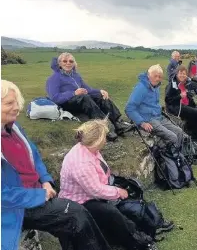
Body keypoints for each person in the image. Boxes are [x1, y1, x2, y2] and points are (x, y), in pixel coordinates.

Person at [1, 80, 111, 250]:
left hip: (36, 191)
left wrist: (45, 180)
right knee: (74, 214)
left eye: (16, 102)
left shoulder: (14, 127)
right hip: (17, 206)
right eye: (9, 103)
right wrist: (39, 195)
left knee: (69, 217)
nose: (16, 107)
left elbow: (34, 156)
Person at [59, 119, 173, 250]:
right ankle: (138, 241)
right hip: (79, 202)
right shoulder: (81, 162)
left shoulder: (90, 149)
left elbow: (101, 176)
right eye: (104, 137)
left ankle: (152, 223)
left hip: (92, 194)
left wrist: (118, 187)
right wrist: (117, 192)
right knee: (112, 212)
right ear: (97, 140)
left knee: (131, 188)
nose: (106, 140)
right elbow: (95, 190)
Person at [46, 52, 132, 141]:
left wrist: (100, 91)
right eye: (65, 61)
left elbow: (87, 89)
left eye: (71, 61)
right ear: (59, 63)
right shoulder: (54, 78)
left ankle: (118, 124)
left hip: (79, 100)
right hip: (66, 104)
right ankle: (103, 129)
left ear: (74, 63)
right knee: (84, 97)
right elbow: (55, 98)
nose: (68, 63)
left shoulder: (76, 75)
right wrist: (73, 93)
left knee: (101, 97)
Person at [125, 64, 184, 151]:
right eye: (155, 76)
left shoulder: (155, 86)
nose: (157, 79)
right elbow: (129, 108)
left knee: (179, 132)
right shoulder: (141, 88)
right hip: (147, 119)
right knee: (173, 137)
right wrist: (142, 123)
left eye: (159, 77)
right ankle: (169, 157)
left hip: (158, 117)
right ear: (149, 75)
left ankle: (177, 157)